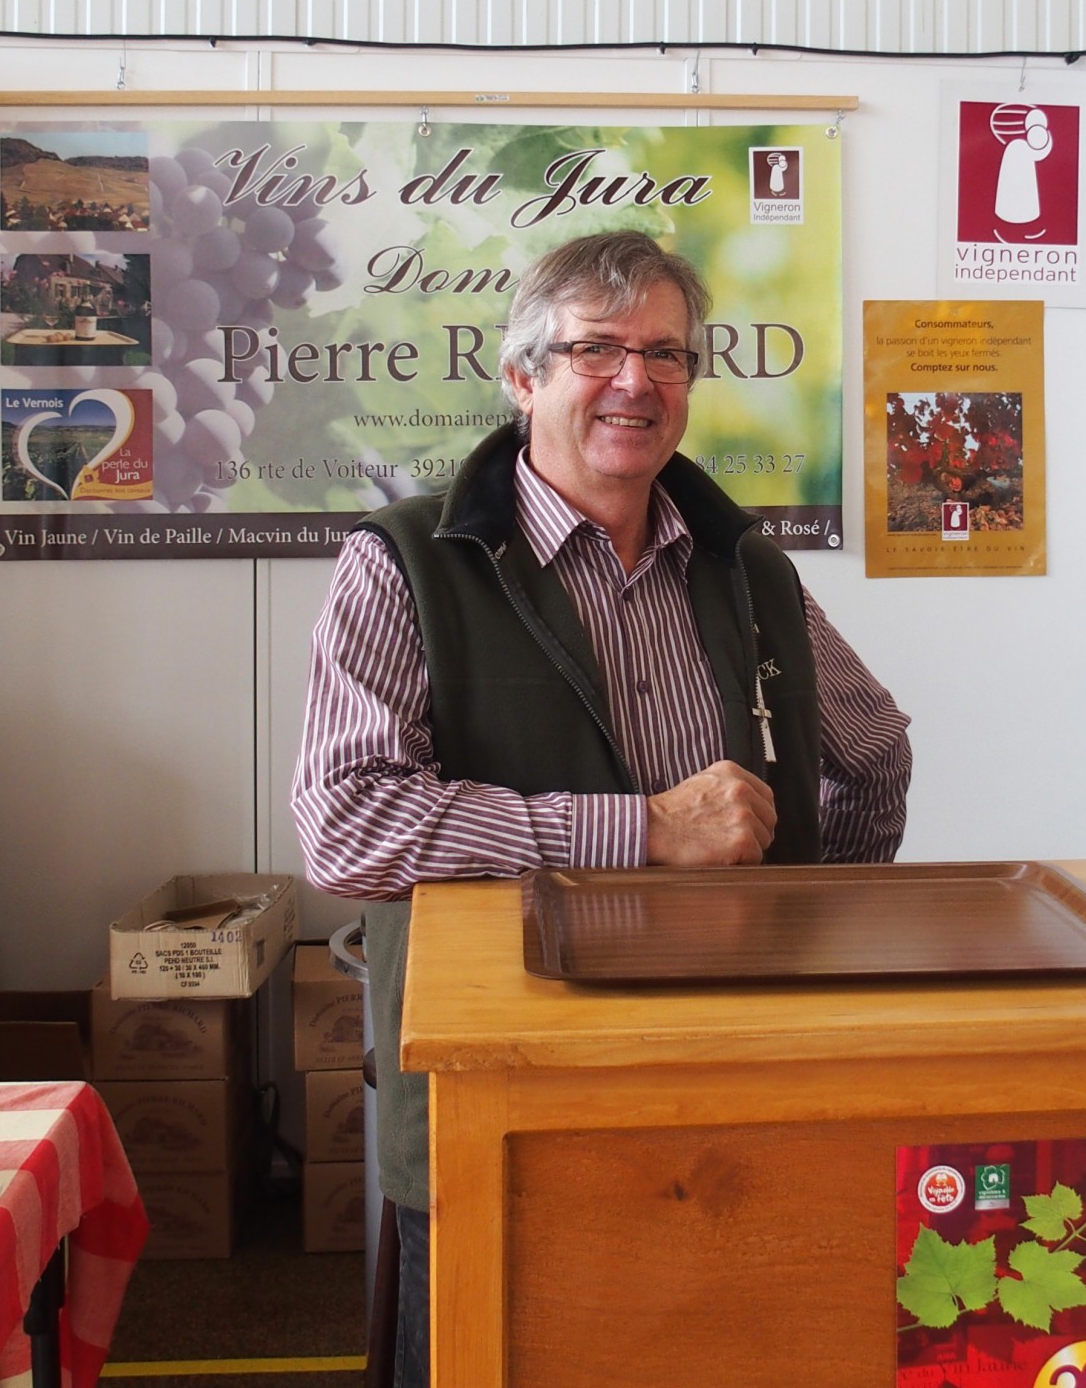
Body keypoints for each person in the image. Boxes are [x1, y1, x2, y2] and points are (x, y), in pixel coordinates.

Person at [292, 229, 913, 1386]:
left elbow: (869, 756)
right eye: (597, 351)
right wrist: (643, 835)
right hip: (505, 1101)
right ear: (523, 377)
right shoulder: (405, 564)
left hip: (726, 1086)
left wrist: (811, 931)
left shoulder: (749, 569)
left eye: (667, 354)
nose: (637, 380)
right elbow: (346, 821)